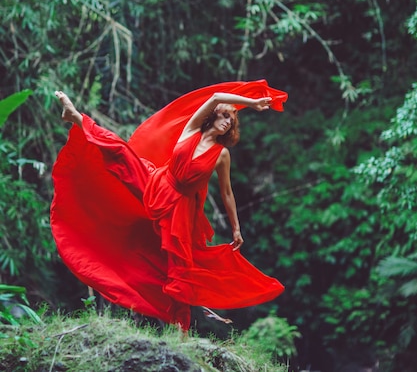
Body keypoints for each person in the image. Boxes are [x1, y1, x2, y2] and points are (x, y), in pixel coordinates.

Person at [51, 80, 288, 330]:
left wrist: (236, 229)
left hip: (180, 211)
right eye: (226, 115)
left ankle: (180, 328)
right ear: (214, 114)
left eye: (232, 120)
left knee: (180, 270)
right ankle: (76, 116)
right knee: (121, 153)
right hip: (158, 184)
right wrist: (252, 102)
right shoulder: (192, 129)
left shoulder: (221, 154)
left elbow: (227, 193)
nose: (229, 121)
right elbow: (217, 96)